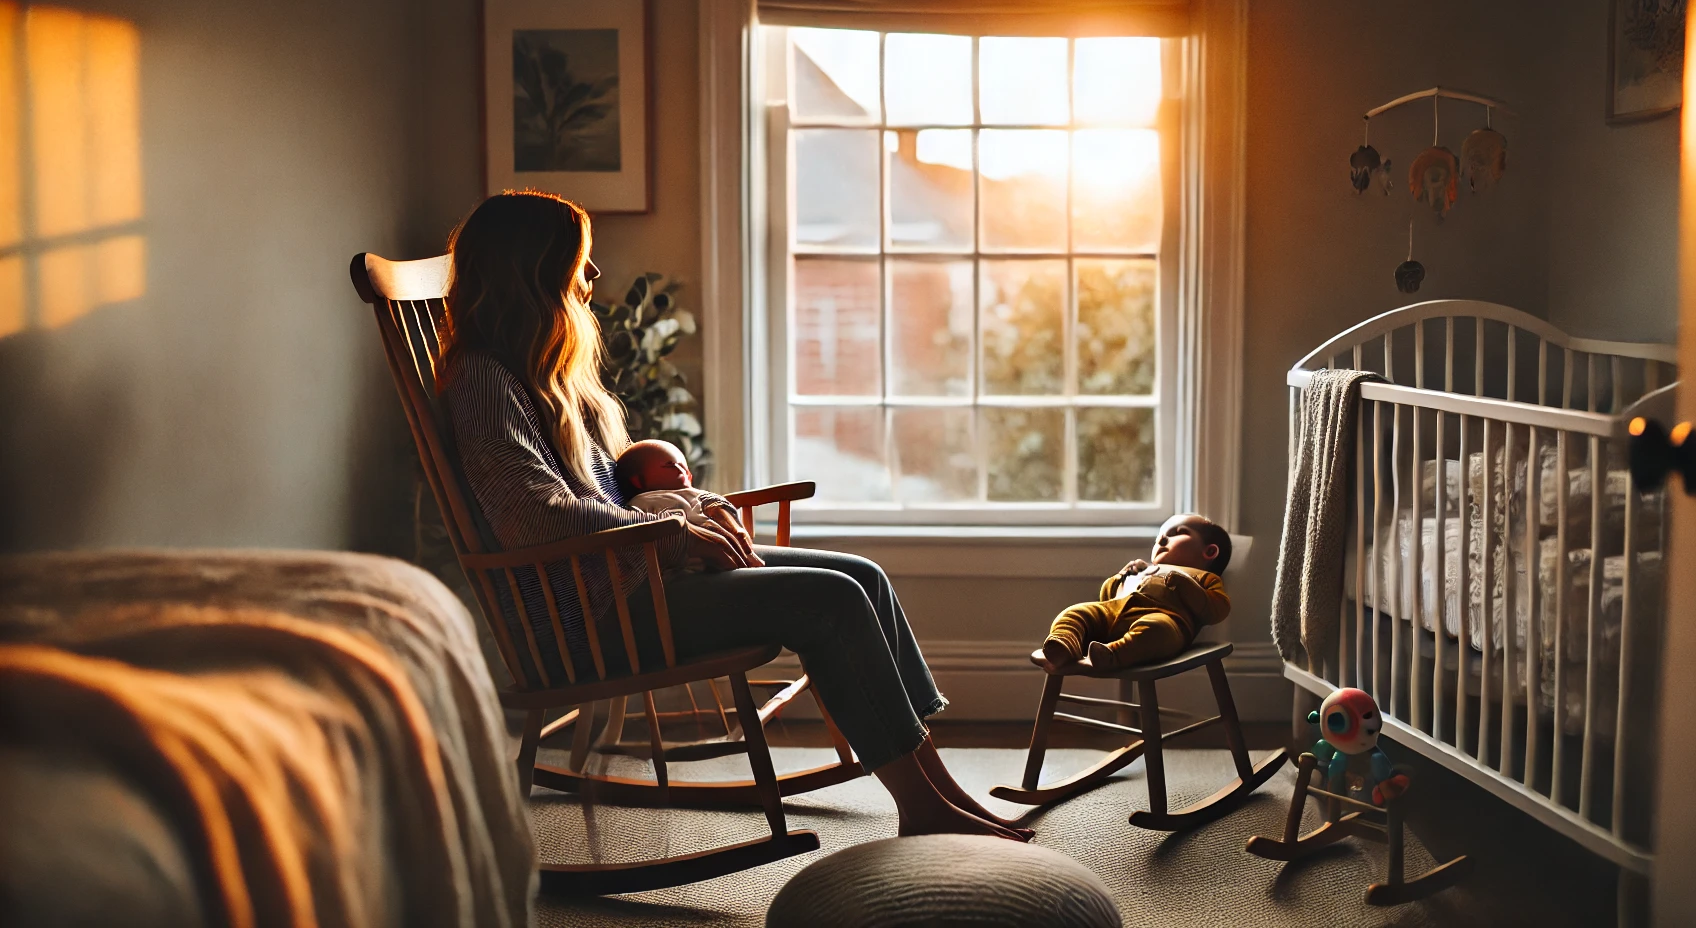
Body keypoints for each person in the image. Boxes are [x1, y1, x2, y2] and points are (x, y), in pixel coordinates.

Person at [436, 189, 1028, 841]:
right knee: (830, 601)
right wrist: (677, 535)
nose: (594, 274)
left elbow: (612, 495)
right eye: (580, 260)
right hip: (596, 617)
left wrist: (692, 515)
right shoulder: (483, 380)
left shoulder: (540, 375)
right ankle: (921, 807)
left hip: (635, 581)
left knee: (863, 576)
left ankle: (940, 791)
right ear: (534, 270)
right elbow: (536, 517)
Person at [1040, 514, 1233, 673]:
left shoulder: (1203, 577)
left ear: (1209, 552)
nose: (1162, 540)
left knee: (1156, 629)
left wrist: (1187, 586)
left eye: (1178, 533)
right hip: (1112, 613)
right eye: (1159, 537)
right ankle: (1064, 645)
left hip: (1163, 618)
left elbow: (1217, 610)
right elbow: (1107, 598)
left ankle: (1112, 655)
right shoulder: (1143, 569)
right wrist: (1120, 577)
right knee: (1076, 613)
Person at [615, 439, 762, 570]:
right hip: (682, 572)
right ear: (638, 481)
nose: (683, 471)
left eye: (684, 467)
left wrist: (737, 531)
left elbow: (716, 503)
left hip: (728, 554)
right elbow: (639, 536)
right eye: (670, 466)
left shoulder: (696, 495)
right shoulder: (642, 503)